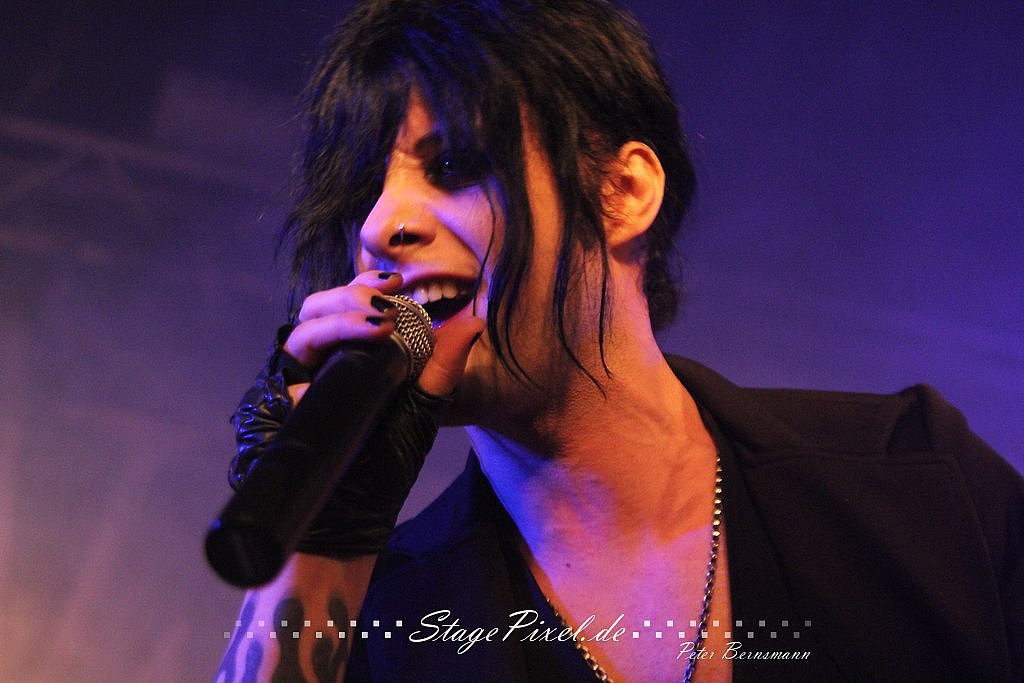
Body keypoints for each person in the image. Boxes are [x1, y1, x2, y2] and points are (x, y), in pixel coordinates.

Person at [214, 1, 1023, 681]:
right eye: (365, 191)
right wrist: (325, 535)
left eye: (454, 163)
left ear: (623, 190)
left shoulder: (919, 481)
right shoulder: (381, 621)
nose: (379, 225)